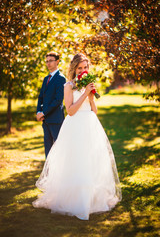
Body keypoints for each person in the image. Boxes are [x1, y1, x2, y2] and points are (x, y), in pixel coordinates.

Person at [33, 53, 122, 220]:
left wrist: (90, 95)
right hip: (75, 126)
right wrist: (83, 94)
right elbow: (71, 110)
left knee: (91, 161)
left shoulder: (88, 84)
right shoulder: (68, 85)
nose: (83, 70)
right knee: (76, 161)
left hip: (90, 125)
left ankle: (92, 199)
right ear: (74, 69)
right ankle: (74, 199)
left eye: (85, 67)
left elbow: (94, 111)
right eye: (80, 68)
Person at [36, 52, 66, 158]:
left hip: (56, 119)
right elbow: (40, 97)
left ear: (57, 61)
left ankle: (60, 173)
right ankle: (48, 173)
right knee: (48, 149)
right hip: (46, 120)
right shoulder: (46, 79)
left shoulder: (61, 78)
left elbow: (58, 100)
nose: (48, 63)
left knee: (58, 148)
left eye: (51, 61)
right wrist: (38, 112)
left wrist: (44, 112)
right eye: (47, 61)